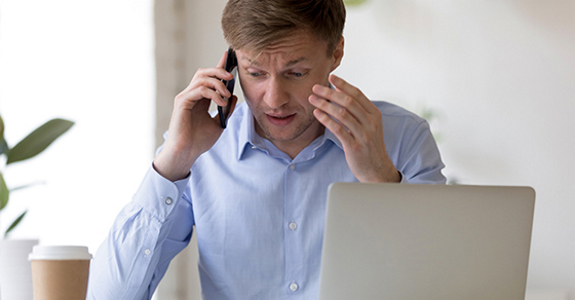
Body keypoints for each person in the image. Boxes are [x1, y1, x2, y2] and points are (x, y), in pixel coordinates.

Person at [87, 0, 446, 299]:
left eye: (296, 73)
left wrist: (379, 179)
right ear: (231, 64)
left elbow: (440, 284)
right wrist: (173, 161)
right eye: (255, 73)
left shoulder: (402, 139)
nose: (273, 100)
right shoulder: (199, 149)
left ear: (335, 52)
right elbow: (109, 294)